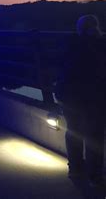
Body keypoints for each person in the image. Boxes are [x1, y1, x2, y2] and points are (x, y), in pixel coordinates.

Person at [55, 15, 106, 187]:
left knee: (73, 131)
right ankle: (95, 176)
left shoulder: (69, 44)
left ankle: (76, 169)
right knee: (95, 136)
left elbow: (61, 69)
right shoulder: (100, 44)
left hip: (68, 96)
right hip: (93, 97)